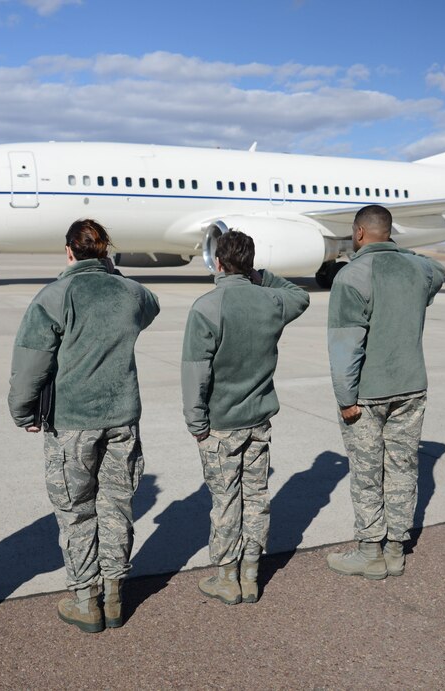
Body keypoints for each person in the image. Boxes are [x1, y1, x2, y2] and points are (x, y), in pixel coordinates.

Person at [8, 219, 159, 633]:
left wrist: (23, 411)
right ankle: (114, 595)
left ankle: (85, 601)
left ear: (69, 251)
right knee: (116, 507)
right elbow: (150, 304)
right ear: (105, 253)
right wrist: (111, 273)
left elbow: (31, 363)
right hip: (122, 419)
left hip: (72, 423)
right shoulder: (129, 292)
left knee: (76, 512)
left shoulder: (54, 296)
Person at [182, 230, 310, 605]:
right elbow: (300, 296)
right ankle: (251, 575)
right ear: (250, 265)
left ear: (219, 263)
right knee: (256, 498)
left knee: (225, 501)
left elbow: (195, 373)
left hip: (220, 425)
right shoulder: (270, 301)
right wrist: (261, 276)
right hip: (258, 423)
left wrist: (196, 423)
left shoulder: (206, 307)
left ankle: (227, 578)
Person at [326, 205, 445, 579]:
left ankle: (370, 552)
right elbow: (438, 270)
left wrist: (345, 398)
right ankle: (396, 550)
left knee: (367, 473)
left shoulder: (351, 275)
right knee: (403, 468)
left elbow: (346, 345)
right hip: (411, 387)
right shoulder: (418, 270)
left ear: (359, 233)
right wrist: (398, 252)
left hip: (368, 393)